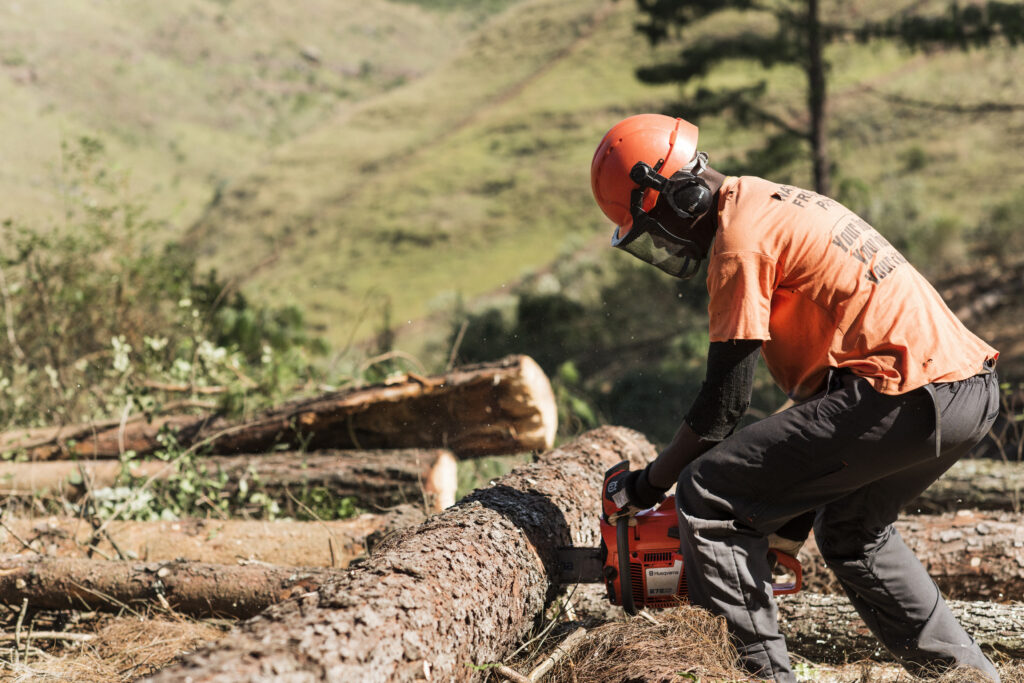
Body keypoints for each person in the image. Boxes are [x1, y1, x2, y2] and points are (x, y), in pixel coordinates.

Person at [590, 113, 1001, 682]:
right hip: (966, 390)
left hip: (906, 393)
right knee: (853, 535)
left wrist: (649, 485)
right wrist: (787, 518)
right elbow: (824, 411)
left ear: (681, 196)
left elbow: (723, 409)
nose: (664, 243)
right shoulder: (770, 201)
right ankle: (970, 676)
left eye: (657, 227)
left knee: (708, 494)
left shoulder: (740, 243)